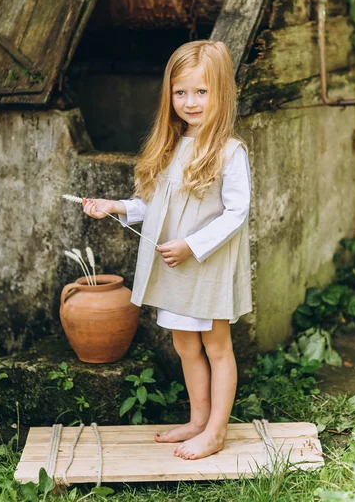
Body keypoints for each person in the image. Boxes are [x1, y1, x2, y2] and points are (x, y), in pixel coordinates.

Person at [82, 39, 252, 461]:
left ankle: (215, 432)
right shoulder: (170, 145)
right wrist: (116, 206)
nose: (190, 102)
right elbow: (157, 205)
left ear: (221, 93)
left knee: (216, 346)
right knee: (184, 345)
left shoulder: (230, 151)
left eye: (201, 92)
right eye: (181, 92)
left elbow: (237, 213)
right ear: (169, 94)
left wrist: (193, 246)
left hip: (205, 262)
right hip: (174, 265)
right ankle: (197, 420)